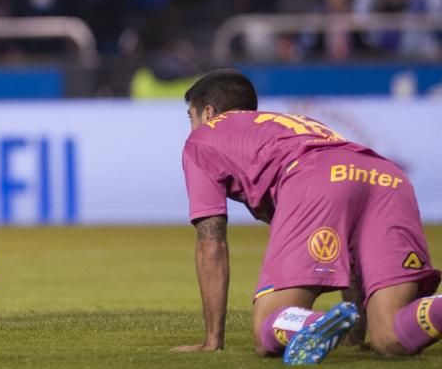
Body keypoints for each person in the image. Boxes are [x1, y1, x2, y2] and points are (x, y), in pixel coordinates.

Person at [175, 69, 441, 364]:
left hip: (314, 176)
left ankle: (310, 324)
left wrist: (212, 339)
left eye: (191, 116)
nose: (192, 126)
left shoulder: (202, 140)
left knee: (268, 326)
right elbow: (345, 224)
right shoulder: (290, 126)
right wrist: (357, 331)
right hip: (386, 175)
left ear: (208, 112)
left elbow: (212, 242)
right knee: (391, 336)